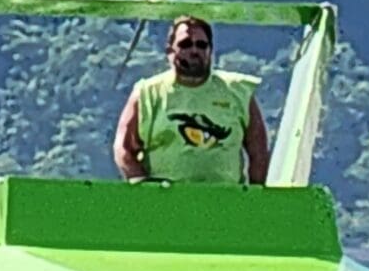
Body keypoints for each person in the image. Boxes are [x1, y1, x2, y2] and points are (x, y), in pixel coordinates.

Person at [113, 15, 271, 186]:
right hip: (165, 202)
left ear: (210, 50)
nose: (194, 51)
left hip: (225, 202)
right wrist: (144, 188)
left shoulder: (239, 92)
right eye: (185, 44)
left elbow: (258, 152)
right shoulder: (147, 93)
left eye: (202, 45)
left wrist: (255, 198)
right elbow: (123, 149)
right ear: (170, 51)